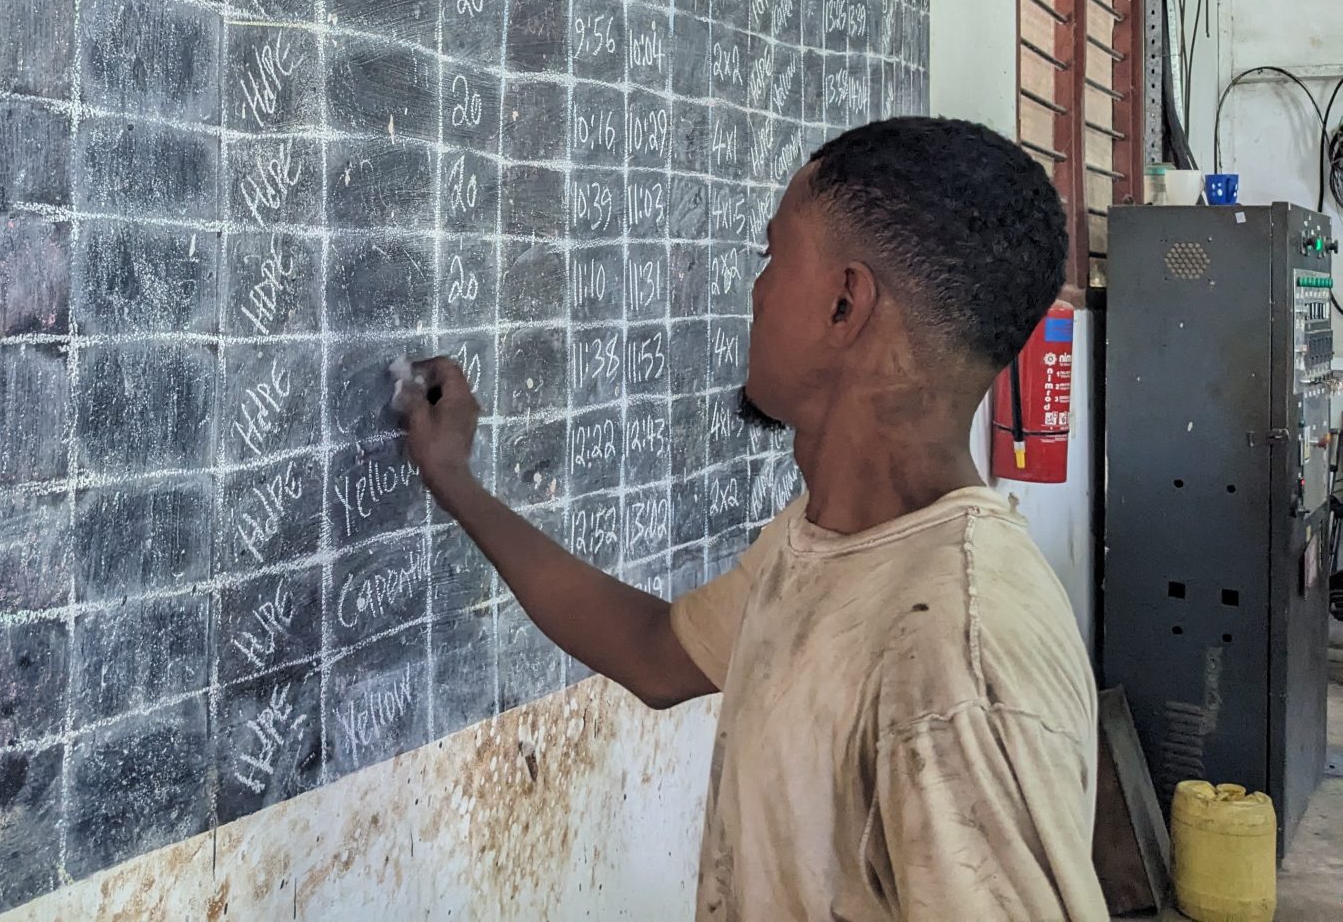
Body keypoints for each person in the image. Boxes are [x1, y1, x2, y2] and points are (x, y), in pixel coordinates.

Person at [395, 117, 1106, 921]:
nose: (757, 289)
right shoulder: (830, 546)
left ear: (845, 304)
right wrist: (453, 479)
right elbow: (655, 654)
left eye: (772, 257)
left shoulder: (953, 657)